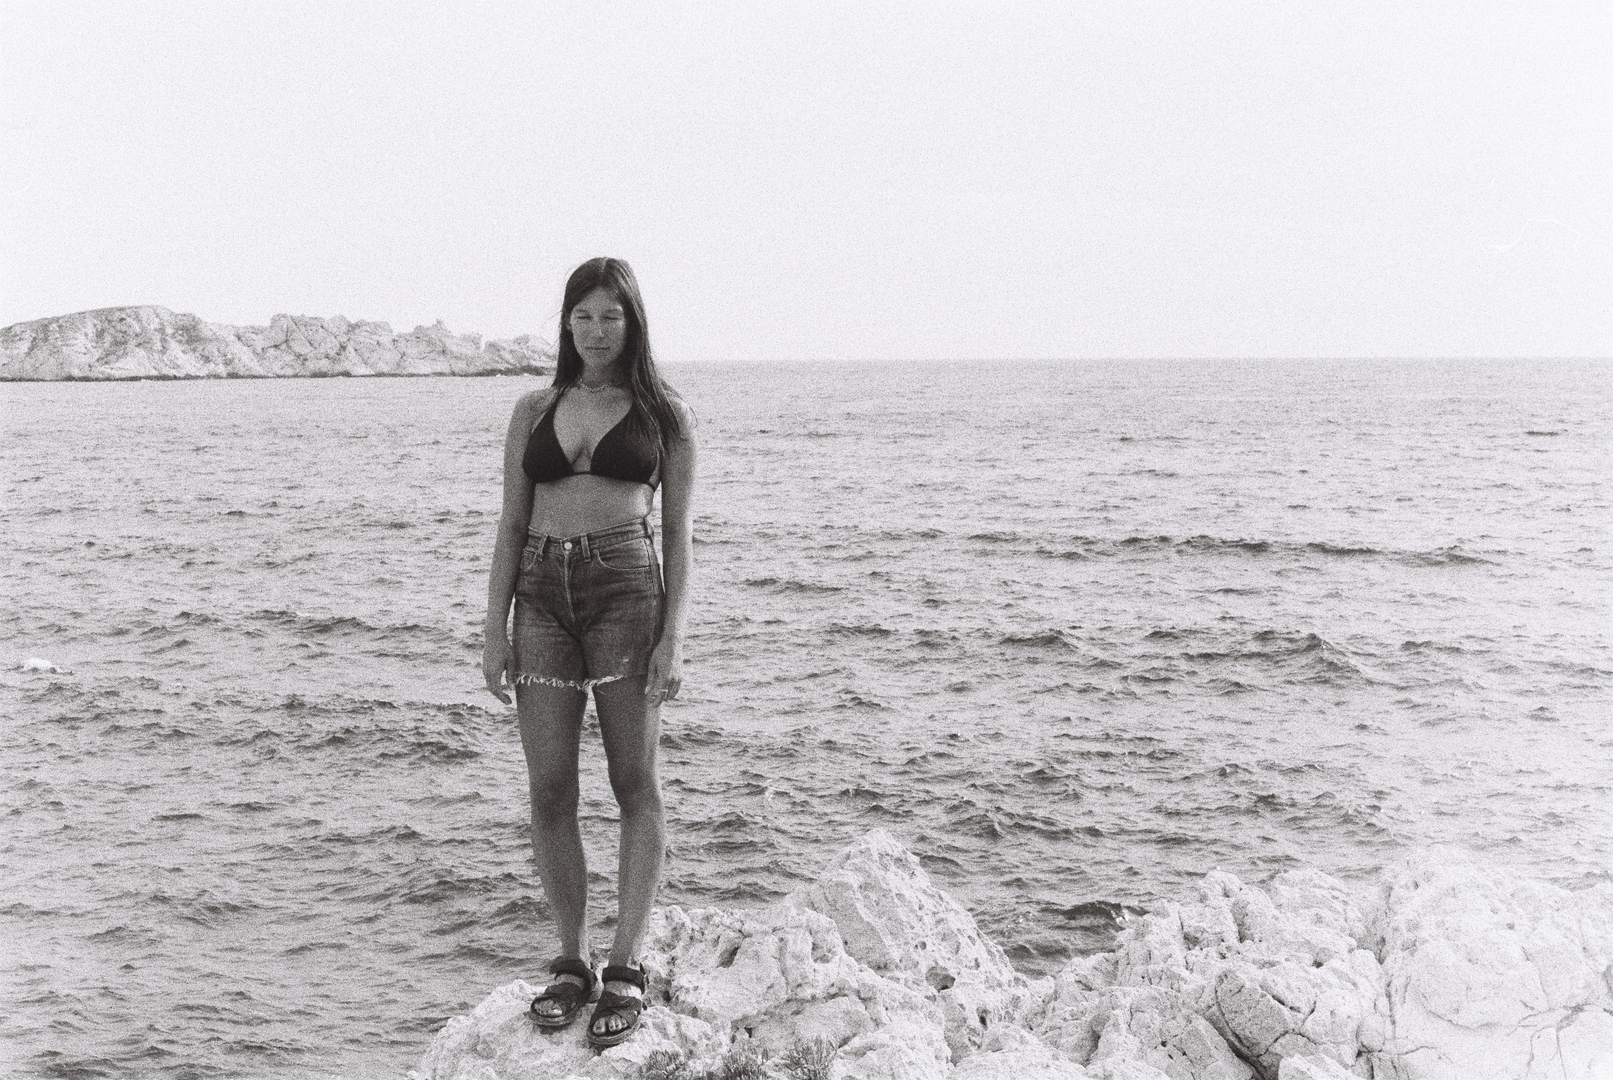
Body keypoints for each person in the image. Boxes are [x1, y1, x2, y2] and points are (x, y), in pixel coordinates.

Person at [482, 257, 695, 1048]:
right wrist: (493, 628)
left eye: (610, 315)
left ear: (632, 322)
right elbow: (511, 522)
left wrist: (673, 637)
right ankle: (571, 961)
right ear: (565, 324)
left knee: (634, 780)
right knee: (549, 788)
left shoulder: (664, 414)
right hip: (539, 596)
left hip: (626, 591)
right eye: (582, 316)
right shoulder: (533, 408)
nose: (595, 330)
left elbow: (677, 535)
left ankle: (626, 964)